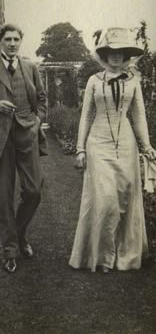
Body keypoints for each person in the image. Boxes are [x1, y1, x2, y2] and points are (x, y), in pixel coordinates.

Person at [69, 27, 156, 273]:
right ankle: (101, 257)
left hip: (126, 144)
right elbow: (86, 116)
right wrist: (80, 149)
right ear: (105, 55)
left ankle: (124, 255)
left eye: (121, 52)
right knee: (105, 200)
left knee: (126, 198)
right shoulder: (94, 81)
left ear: (127, 55)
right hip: (98, 143)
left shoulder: (134, 82)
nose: (116, 57)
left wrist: (146, 146)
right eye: (112, 52)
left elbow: (139, 117)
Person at [0, 24, 47, 273]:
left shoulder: (31, 67)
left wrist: (36, 122)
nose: (12, 44)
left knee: (34, 191)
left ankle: (19, 232)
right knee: (5, 198)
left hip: (27, 136)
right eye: (8, 39)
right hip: (0, 141)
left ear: (20, 41)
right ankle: (11, 250)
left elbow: (42, 100)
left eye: (16, 39)